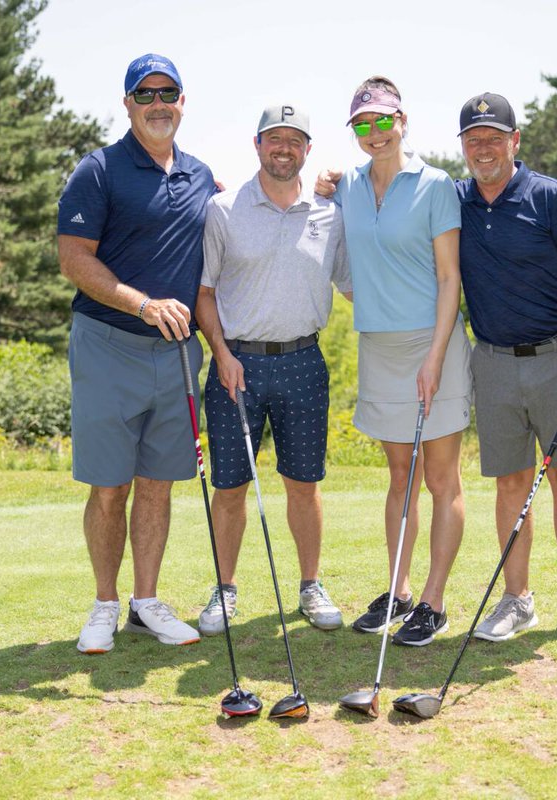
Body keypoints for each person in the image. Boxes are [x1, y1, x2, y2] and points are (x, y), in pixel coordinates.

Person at [56, 53, 217, 654]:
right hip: (108, 345)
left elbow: (243, 215)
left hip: (177, 355)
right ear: (127, 104)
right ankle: (104, 603)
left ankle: (145, 604)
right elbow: (74, 259)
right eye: (144, 94)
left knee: (157, 484)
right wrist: (143, 304)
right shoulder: (98, 170)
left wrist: (326, 187)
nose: (157, 103)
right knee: (109, 486)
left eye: (166, 92)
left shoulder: (200, 176)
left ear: (182, 101)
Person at [455, 93, 557, 648]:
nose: (484, 149)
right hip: (493, 361)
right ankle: (517, 600)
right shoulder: (455, 201)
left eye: (494, 138)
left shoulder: (550, 197)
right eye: (473, 140)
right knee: (510, 482)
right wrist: (334, 185)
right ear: (464, 147)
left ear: (515, 141)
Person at [193, 104, 352, 637]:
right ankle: (225, 589)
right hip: (235, 363)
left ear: (307, 149)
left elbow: (354, 284)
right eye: (274, 139)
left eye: (294, 140)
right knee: (231, 486)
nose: (284, 149)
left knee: (304, 483)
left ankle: (310, 586)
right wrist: (221, 353)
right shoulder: (223, 209)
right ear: (257, 145)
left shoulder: (330, 214)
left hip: (304, 361)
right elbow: (204, 292)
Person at [332, 77, 471, 647]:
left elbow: (449, 278)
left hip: (433, 345)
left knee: (440, 478)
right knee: (400, 479)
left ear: (402, 121)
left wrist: (435, 356)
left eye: (384, 120)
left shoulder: (435, 185)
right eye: (363, 124)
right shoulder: (347, 186)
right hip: (380, 347)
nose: (375, 132)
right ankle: (400, 590)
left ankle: (434, 602)